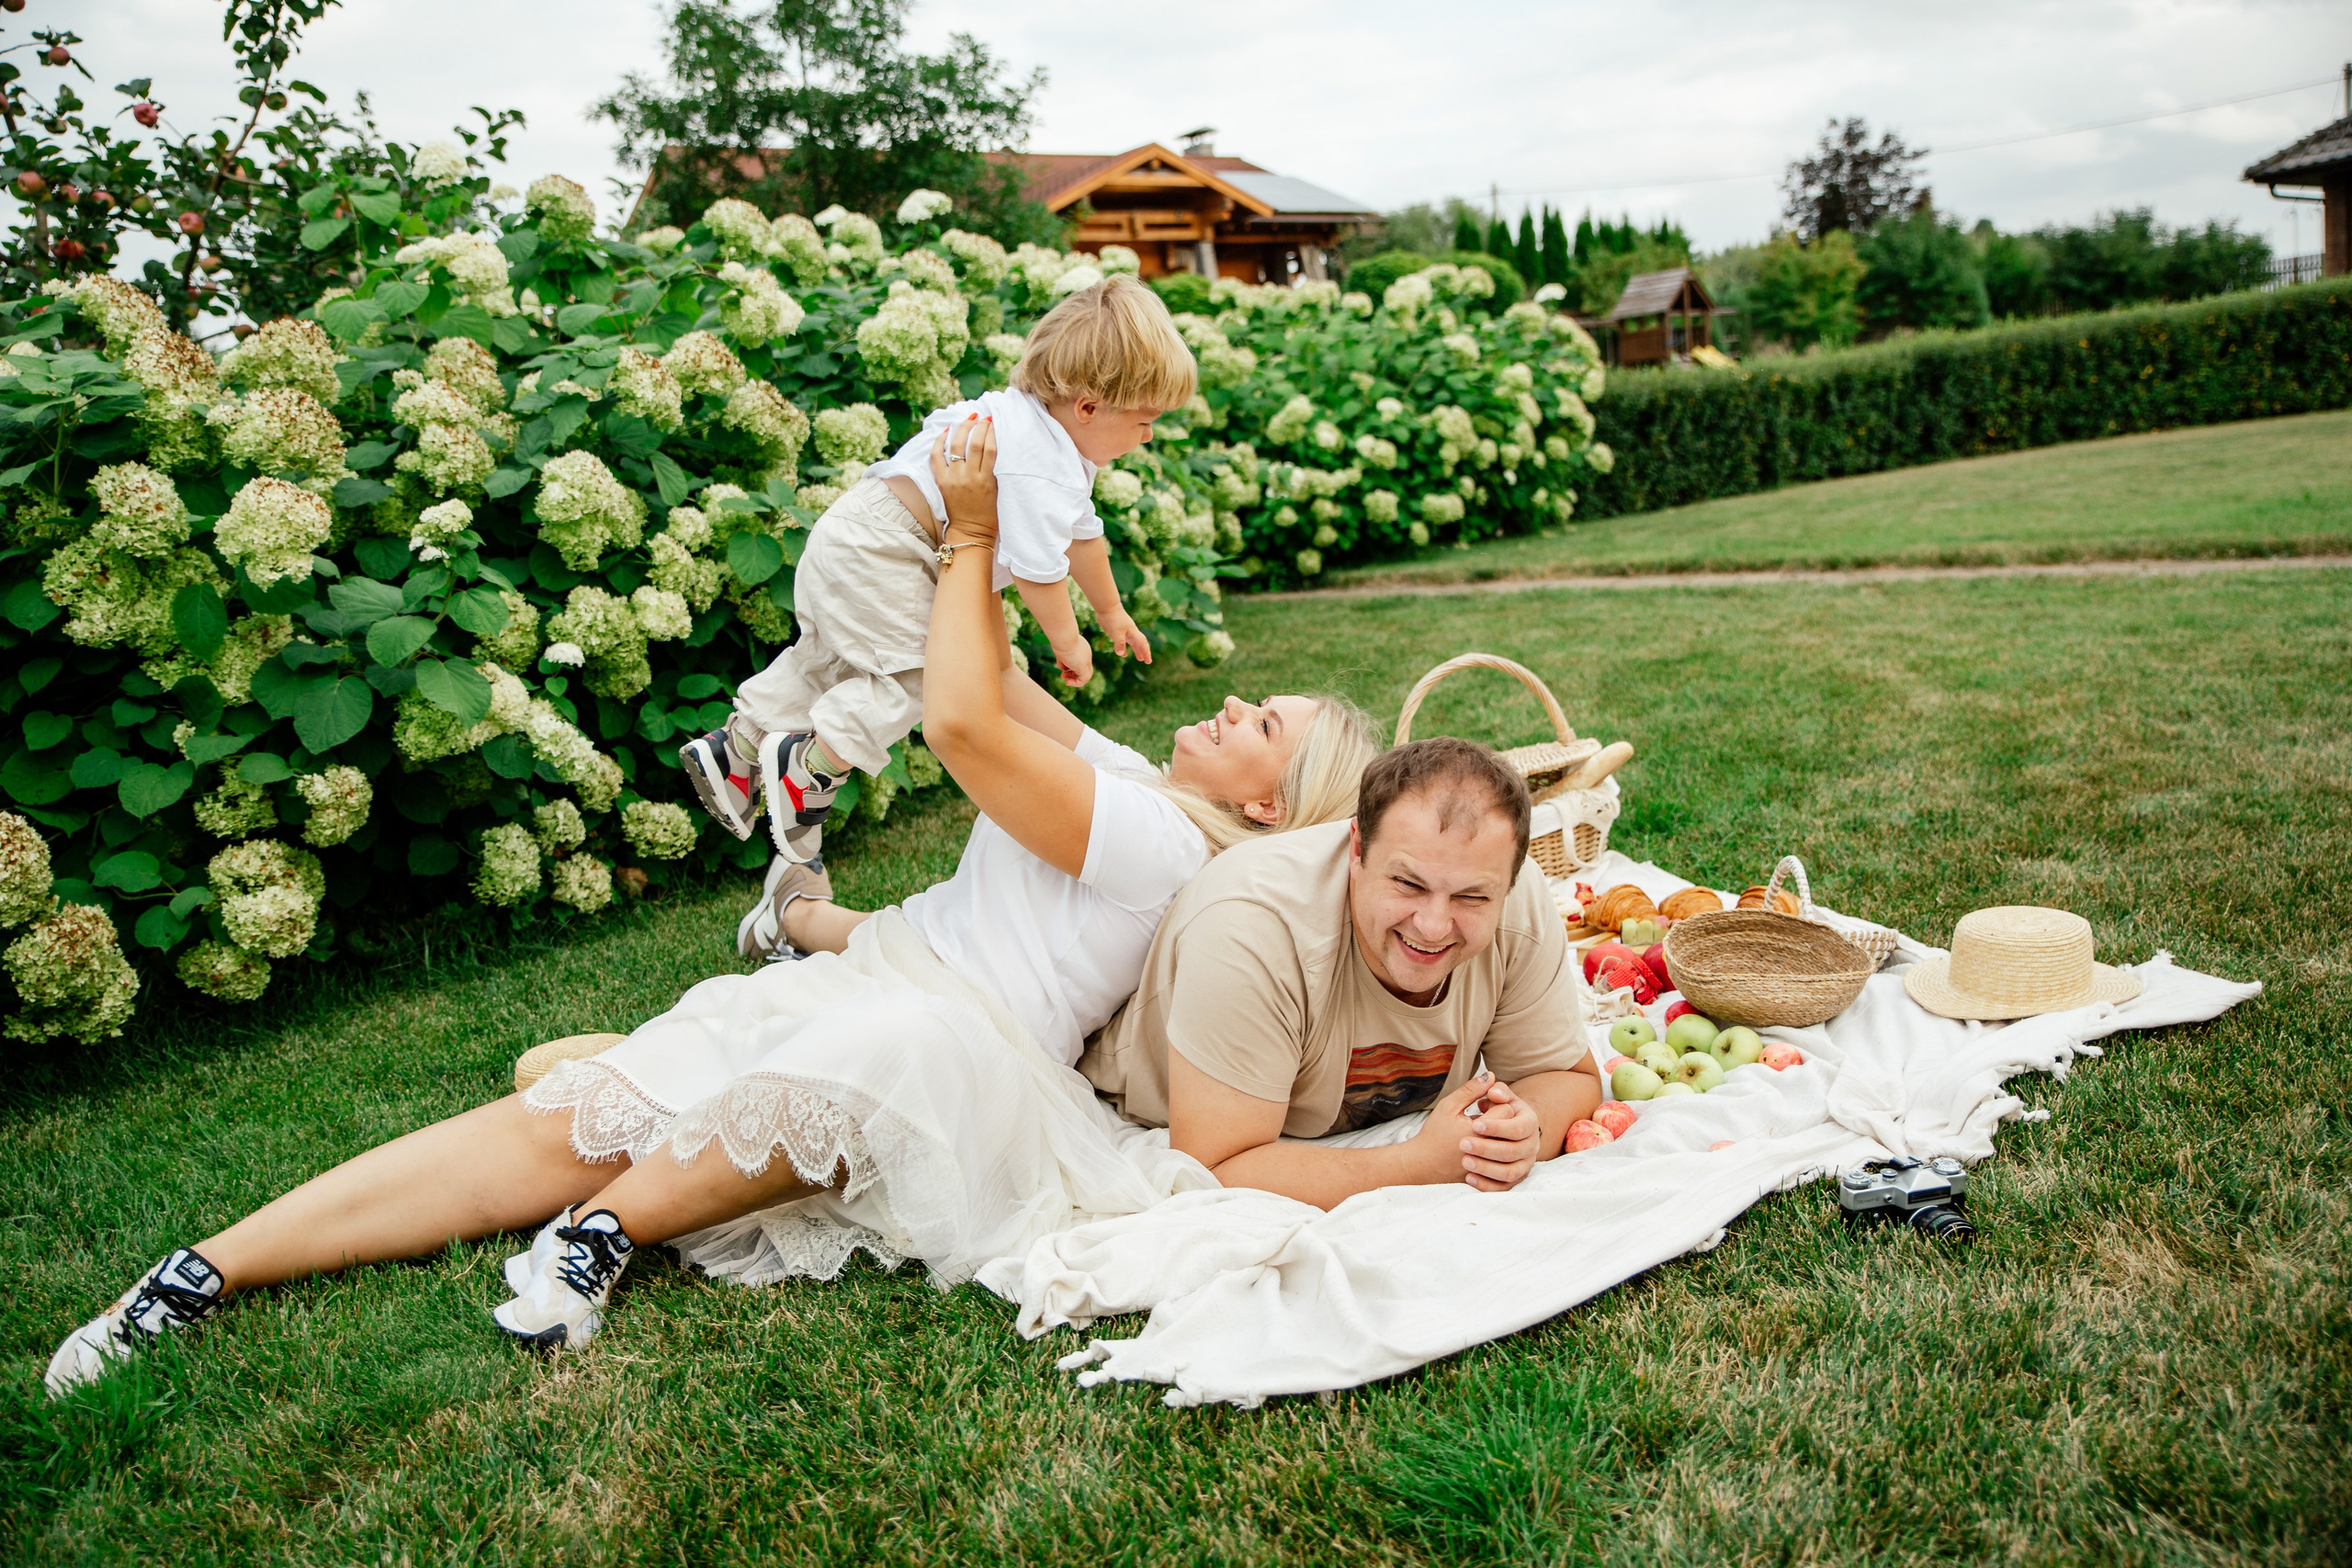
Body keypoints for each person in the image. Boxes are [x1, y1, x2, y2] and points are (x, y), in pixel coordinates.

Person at [44, 418, 1380, 1397]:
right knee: (577, 1112)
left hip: (949, 1051)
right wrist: (916, 563)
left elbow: (967, 726)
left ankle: (599, 1238)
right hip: (872, 978)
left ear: (1273, 805)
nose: (1230, 704)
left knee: (870, 1054)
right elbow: (987, 684)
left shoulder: (1158, 838)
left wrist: (979, 531)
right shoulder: (1136, 780)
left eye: (1262, 721)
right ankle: (202, 1267)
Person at [677, 275, 1193, 863]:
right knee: (929, 675)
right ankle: (811, 768)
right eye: (1145, 420)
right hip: (891, 551)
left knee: (826, 658)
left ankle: (737, 748)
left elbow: (1083, 535)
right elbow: (1037, 567)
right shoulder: (1040, 462)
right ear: (1088, 407)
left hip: (857, 532)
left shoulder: (1039, 433)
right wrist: (1069, 640)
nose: (1148, 436)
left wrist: (1111, 609)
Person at [1080, 736, 1603, 1210]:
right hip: (1153, 1110)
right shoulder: (1250, 927)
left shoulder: (1518, 896)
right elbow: (1216, 1168)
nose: (1434, 925)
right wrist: (1415, 1165)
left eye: (1471, 897)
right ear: (1356, 848)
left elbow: (1569, 1078)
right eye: (1408, 884)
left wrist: (1522, 1134)